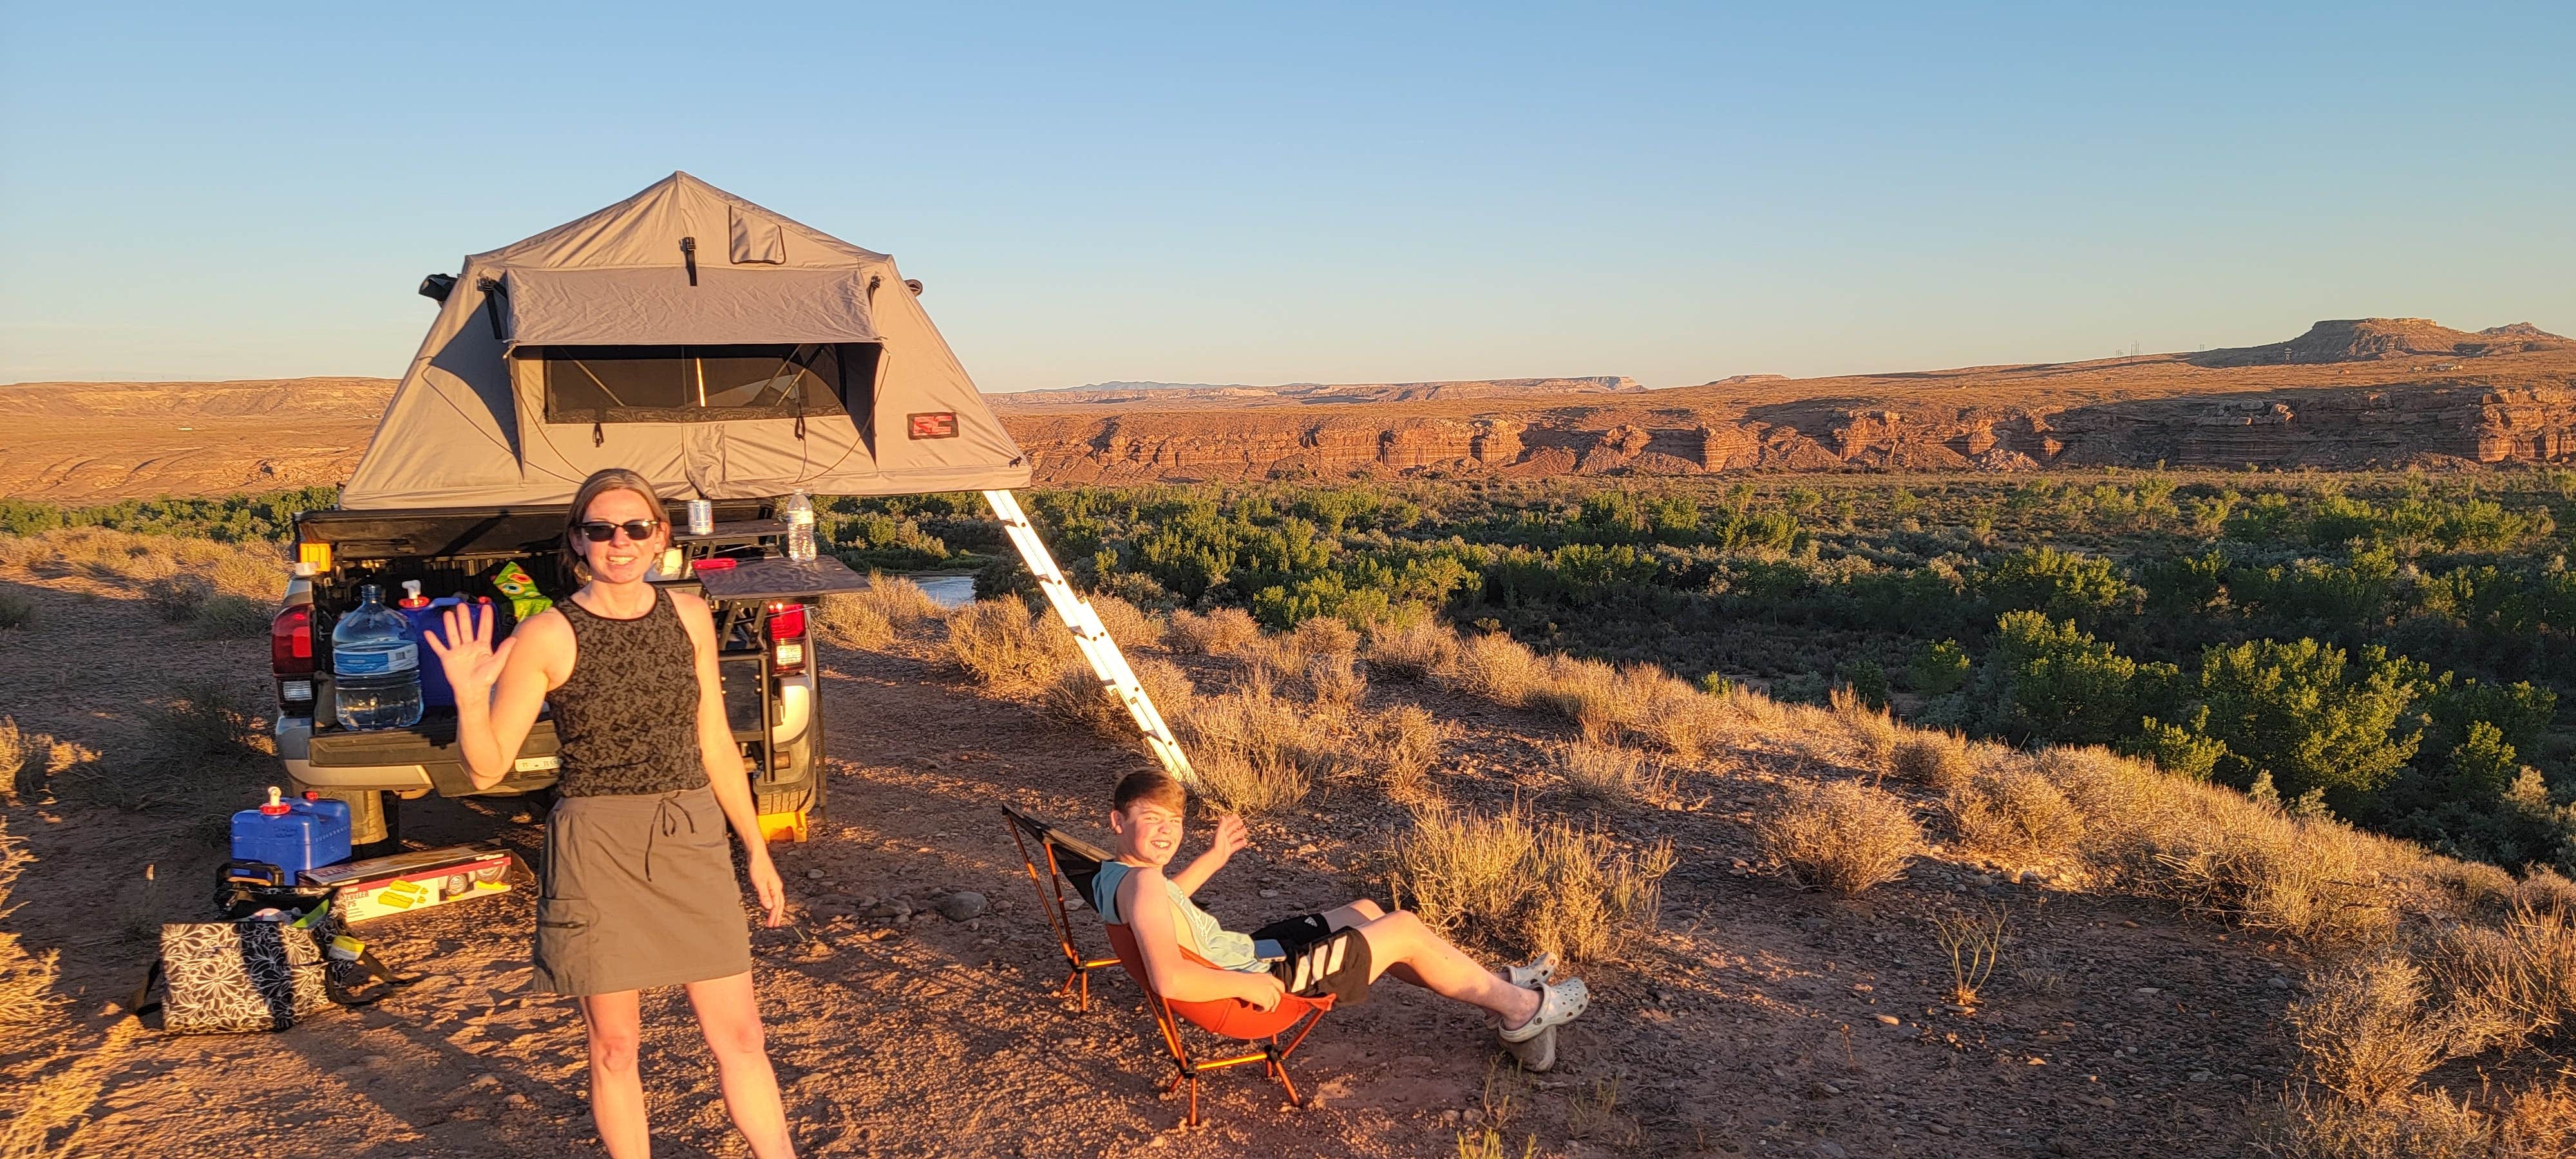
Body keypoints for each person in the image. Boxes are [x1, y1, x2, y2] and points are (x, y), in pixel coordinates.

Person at [428, 467, 796, 1159]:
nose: (618, 542)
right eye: (600, 529)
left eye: (635, 527)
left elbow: (714, 741)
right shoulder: (547, 633)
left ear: (660, 538)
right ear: (578, 541)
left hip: (689, 832)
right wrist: (471, 702)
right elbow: (486, 768)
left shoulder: (689, 614)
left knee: (741, 1035)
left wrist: (754, 847)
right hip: (596, 845)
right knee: (615, 1046)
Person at [1096, 771, 1586, 1066]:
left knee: (1366, 912)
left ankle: (1487, 985)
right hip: (1263, 980)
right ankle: (1521, 1009)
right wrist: (1247, 986)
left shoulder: (1118, 876)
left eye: (1174, 821)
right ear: (1119, 821)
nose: (1166, 831)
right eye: (1151, 819)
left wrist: (1214, 857)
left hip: (1252, 953)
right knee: (1402, 927)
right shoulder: (1144, 883)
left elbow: (1163, 907)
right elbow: (1168, 978)